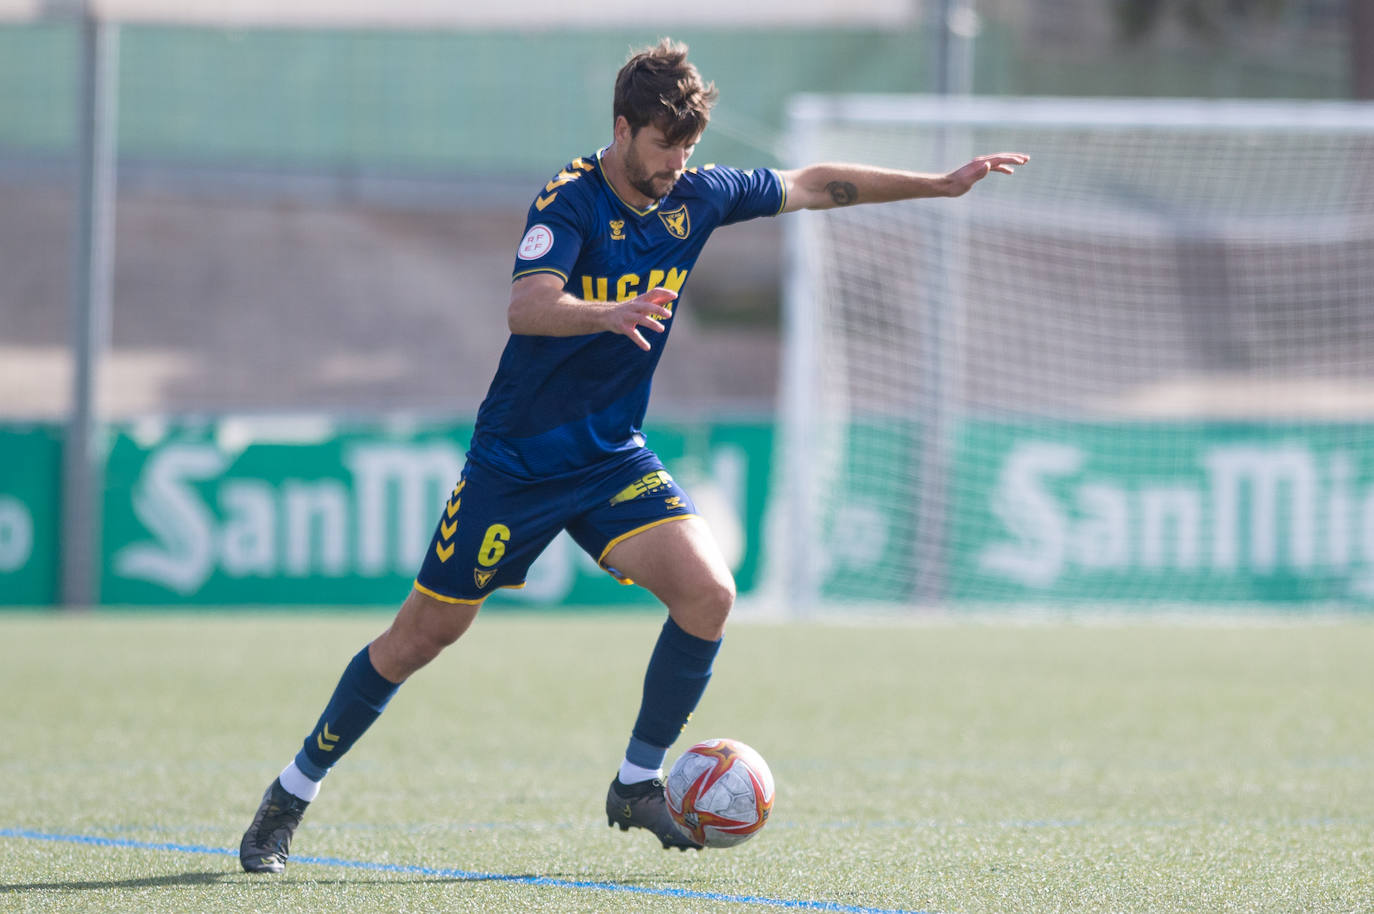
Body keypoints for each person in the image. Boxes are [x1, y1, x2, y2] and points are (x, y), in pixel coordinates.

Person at [239, 37, 1028, 872]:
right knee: (419, 638)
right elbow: (527, 307)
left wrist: (936, 184)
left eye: (689, 147)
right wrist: (604, 313)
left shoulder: (696, 194)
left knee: (709, 595)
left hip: (611, 455)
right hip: (518, 463)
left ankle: (636, 782)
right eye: (663, 146)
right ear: (622, 129)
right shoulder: (571, 200)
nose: (677, 164)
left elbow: (811, 183)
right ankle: (291, 793)